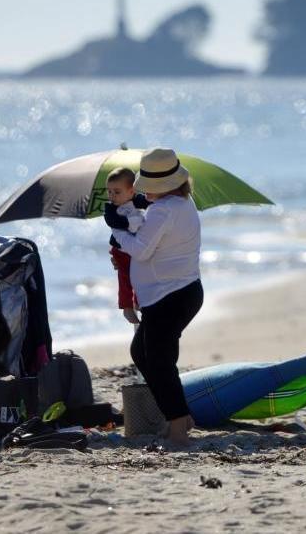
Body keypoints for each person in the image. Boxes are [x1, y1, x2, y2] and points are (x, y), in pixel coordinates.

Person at [111, 148, 203, 445]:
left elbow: (140, 249)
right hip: (170, 295)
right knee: (142, 354)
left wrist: (116, 231)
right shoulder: (177, 204)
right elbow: (150, 244)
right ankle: (180, 415)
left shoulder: (164, 210)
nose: (142, 190)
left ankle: (177, 423)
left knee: (160, 360)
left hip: (172, 296)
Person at [103, 167, 150, 324]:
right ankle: (126, 307)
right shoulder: (110, 208)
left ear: (131, 192)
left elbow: (149, 202)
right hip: (120, 250)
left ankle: (138, 301)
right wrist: (132, 222)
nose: (112, 196)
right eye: (109, 192)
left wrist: (155, 201)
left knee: (139, 276)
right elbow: (114, 222)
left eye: (117, 192)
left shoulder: (135, 199)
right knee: (125, 278)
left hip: (135, 248)